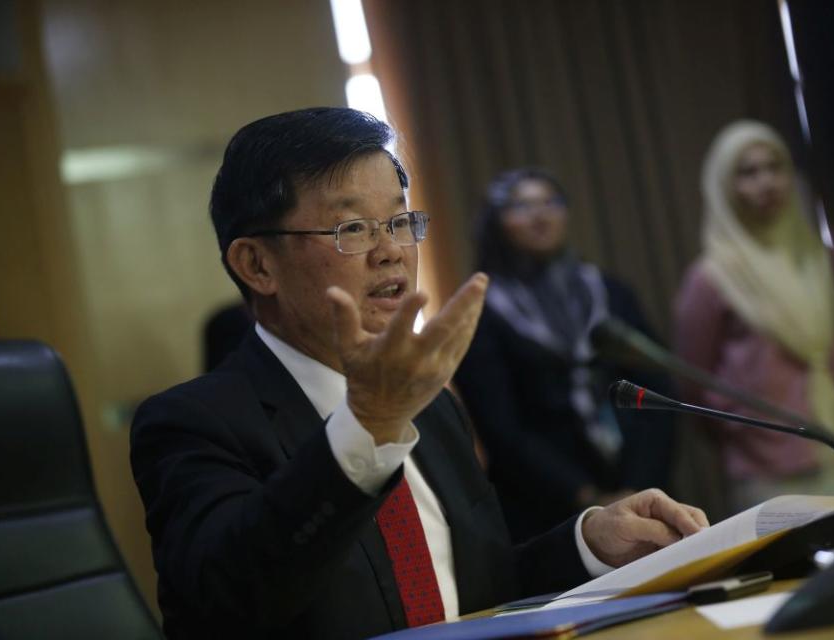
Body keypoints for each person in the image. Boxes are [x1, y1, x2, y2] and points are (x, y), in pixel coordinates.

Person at [129, 108, 707, 639]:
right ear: (256, 265)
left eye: (401, 222)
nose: (392, 252)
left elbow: (475, 591)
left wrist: (589, 543)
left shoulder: (430, 405)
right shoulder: (191, 423)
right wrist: (367, 427)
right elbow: (233, 601)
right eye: (352, 229)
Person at [453, 168, 678, 542]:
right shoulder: (479, 311)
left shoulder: (608, 292)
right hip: (545, 511)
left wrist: (638, 486)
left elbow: (658, 390)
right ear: (496, 223)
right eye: (522, 206)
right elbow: (502, 429)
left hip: (641, 491)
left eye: (550, 202)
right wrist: (587, 497)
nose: (540, 215)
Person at [674, 119, 834, 513]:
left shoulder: (824, 260)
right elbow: (694, 387)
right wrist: (750, 430)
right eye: (748, 172)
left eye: (775, 167)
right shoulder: (710, 280)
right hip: (770, 476)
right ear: (724, 186)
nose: (767, 182)